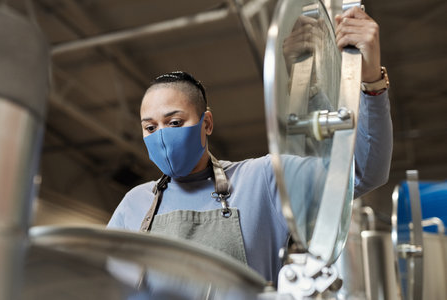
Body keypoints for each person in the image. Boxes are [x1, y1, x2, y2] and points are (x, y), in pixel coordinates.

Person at [107, 6, 392, 284]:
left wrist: (371, 82)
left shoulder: (262, 181)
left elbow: (361, 172)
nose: (161, 137)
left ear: (206, 123)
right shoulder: (134, 204)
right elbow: (108, 287)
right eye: (150, 127)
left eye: (175, 123)